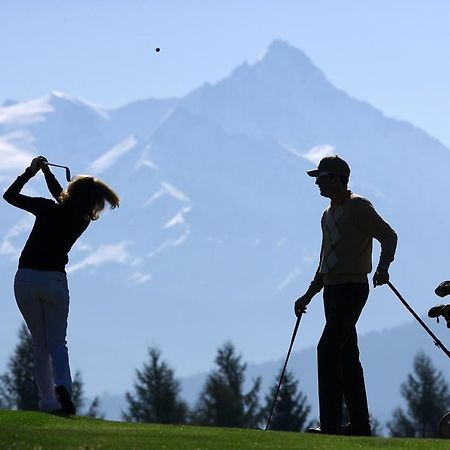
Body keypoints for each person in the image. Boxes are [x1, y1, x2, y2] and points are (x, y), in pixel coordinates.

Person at [3, 156, 119, 414]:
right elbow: (62, 197)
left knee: (39, 345)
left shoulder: (46, 208)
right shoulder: (82, 220)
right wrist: (45, 172)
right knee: (57, 343)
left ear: (71, 192)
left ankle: (48, 402)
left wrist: (31, 172)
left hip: (26, 279)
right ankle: (63, 387)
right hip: (55, 281)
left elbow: (9, 196)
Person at [294, 155, 397, 436]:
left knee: (327, 350)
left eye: (322, 177)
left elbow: (389, 236)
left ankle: (329, 425)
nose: (317, 182)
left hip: (353, 289)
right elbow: (325, 261)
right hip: (331, 290)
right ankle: (360, 425)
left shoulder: (359, 207)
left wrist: (383, 267)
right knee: (347, 356)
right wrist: (308, 295)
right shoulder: (327, 214)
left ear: (338, 179)